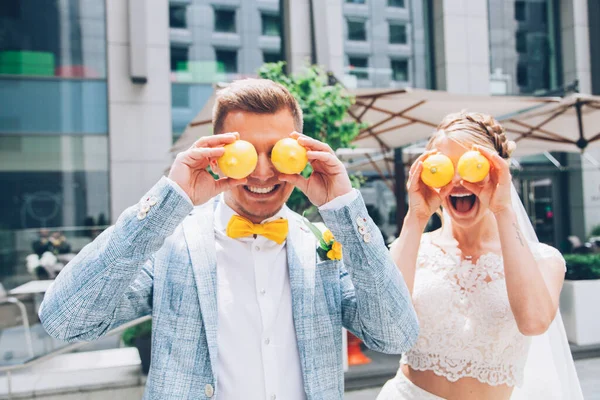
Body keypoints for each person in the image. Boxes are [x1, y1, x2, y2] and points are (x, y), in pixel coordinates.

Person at [39, 79, 419, 399]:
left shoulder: (324, 245)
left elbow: (393, 335)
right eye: (247, 153)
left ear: (300, 155)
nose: (263, 172)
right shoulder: (172, 242)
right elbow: (65, 319)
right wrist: (169, 200)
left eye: (278, 152)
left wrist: (345, 209)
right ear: (219, 154)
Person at [378, 112, 583, 400]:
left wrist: (503, 210)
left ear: (499, 171)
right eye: (445, 167)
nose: (459, 180)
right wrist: (416, 218)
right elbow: (384, 324)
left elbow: (533, 322)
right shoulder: (412, 247)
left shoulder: (544, 260)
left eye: (471, 166)